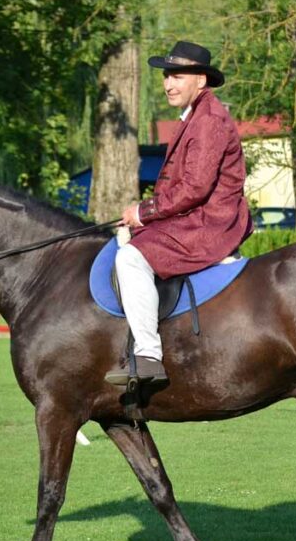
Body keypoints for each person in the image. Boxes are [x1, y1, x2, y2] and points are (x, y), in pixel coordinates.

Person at [105, 41, 252, 386]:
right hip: (196, 217)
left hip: (210, 222)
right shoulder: (195, 117)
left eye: (178, 76)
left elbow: (194, 188)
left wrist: (144, 211)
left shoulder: (208, 121)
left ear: (200, 80)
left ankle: (148, 354)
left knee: (130, 259)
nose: (169, 83)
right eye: (167, 76)